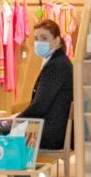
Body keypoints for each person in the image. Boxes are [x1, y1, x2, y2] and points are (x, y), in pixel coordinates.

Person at [12, 17, 72, 152]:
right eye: (36, 39)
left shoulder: (56, 66)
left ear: (57, 40)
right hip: (53, 130)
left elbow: (40, 105)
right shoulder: (60, 62)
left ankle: (20, 167)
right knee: (7, 129)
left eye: (44, 38)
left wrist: (16, 121)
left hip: (50, 134)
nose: (39, 43)